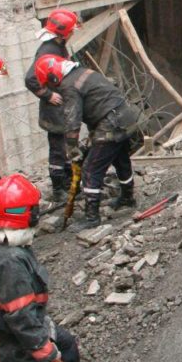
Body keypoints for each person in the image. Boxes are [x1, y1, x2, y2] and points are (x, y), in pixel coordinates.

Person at [0, 174, 110, 362]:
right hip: (13, 346)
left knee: (68, 346)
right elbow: (20, 318)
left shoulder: (4, 245)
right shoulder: (10, 263)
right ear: (24, 214)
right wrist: (47, 356)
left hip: (27, 328)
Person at [33, 55, 140, 231]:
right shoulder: (83, 72)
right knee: (121, 160)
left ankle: (92, 217)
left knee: (90, 170)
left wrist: (72, 149)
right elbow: (97, 105)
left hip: (110, 124)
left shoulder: (68, 87)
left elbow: (72, 121)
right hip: (125, 117)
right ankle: (128, 197)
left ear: (53, 78)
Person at [24, 9, 80, 204]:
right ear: (64, 32)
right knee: (58, 149)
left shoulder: (58, 46)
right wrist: (48, 95)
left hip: (61, 109)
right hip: (54, 111)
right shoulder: (48, 50)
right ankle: (59, 189)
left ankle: (67, 183)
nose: (73, 33)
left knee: (64, 147)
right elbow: (31, 78)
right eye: (71, 30)